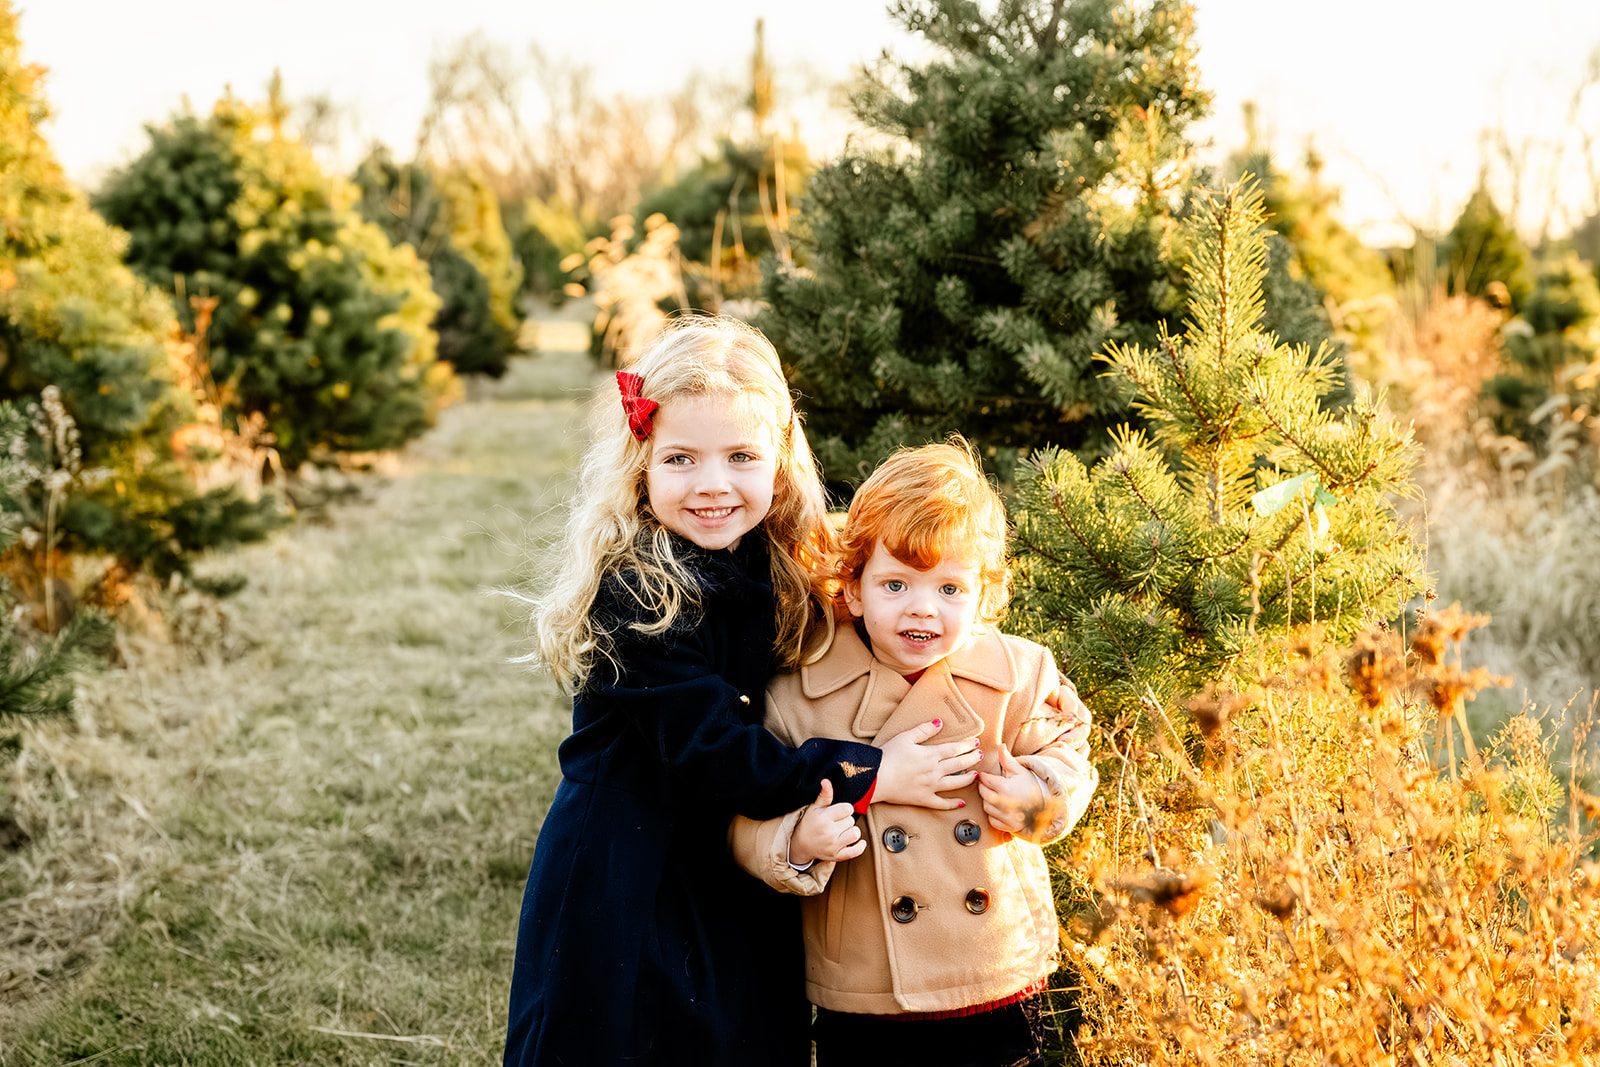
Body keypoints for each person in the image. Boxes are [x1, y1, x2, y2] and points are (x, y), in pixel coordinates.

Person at [503, 317, 984, 1067]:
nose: (713, 484)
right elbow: (713, 750)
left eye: (740, 456)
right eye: (681, 459)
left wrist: (1016, 691)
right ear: (642, 465)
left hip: (738, 856)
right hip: (630, 865)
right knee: (625, 1037)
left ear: (780, 458)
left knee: (741, 1033)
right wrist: (871, 768)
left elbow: (907, 607)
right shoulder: (635, 590)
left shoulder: (781, 559)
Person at [730, 440, 1099, 1067]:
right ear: (851, 589)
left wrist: (1037, 796)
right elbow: (747, 815)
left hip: (994, 969)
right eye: (896, 583)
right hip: (866, 986)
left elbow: (1067, 754)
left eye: (951, 587)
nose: (923, 607)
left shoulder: (1016, 675)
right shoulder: (799, 693)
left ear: (984, 595)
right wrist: (796, 841)